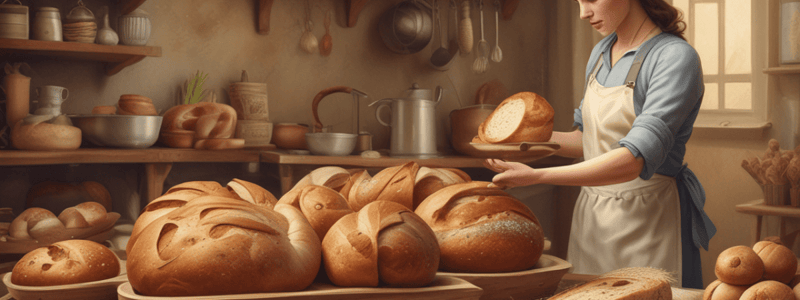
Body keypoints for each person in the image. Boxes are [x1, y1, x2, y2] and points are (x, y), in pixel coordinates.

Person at [483, 0, 716, 289]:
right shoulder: (600, 53)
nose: (583, 13)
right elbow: (587, 140)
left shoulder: (675, 58)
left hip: (650, 217)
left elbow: (633, 160)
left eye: (592, 0)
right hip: (593, 218)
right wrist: (518, 140)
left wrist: (536, 176)